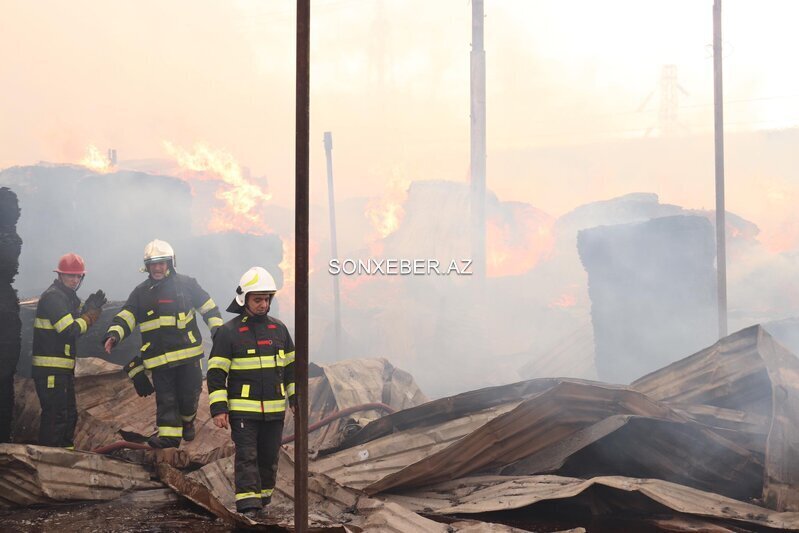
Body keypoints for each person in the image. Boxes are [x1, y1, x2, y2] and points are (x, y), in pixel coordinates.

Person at [103, 239, 223, 448]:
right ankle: (168, 440)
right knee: (166, 400)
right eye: (153, 264)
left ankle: (187, 422)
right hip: (159, 359)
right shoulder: (140, 292)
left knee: (189, 395)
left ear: (170, 263)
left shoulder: (187, 285)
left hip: (188, 356)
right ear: (147, 267)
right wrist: (114, 335)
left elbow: (209, 309)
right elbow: (127, 316)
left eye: (161, 263)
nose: (157, 268)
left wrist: (218, 333)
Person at [207, 266, 295, 518]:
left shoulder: (279, 330)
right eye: (257, 299)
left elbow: (291, 369)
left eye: (266, 299)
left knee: (269, 458)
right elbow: (215, 374)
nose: (262, 304)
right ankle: (248, 508)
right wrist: (219, 409)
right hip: (244, 412)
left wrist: (296, 399)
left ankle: (262, 501)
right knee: (247, 457)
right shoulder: (228, 332)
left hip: (275, 412)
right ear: (244, 299)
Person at [32, 253, 106, 448]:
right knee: (56, 416)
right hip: (50, 370)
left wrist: (87, 310)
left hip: (62, 371)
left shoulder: (68, 298)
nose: (74, 280)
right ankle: (48, 461)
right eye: (70, 276)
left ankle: (65, 459)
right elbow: (69, 330)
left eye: (78, 276)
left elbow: (75, 322)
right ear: (60, 276)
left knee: (68, 415)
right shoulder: (53, 298)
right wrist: (89, 317)